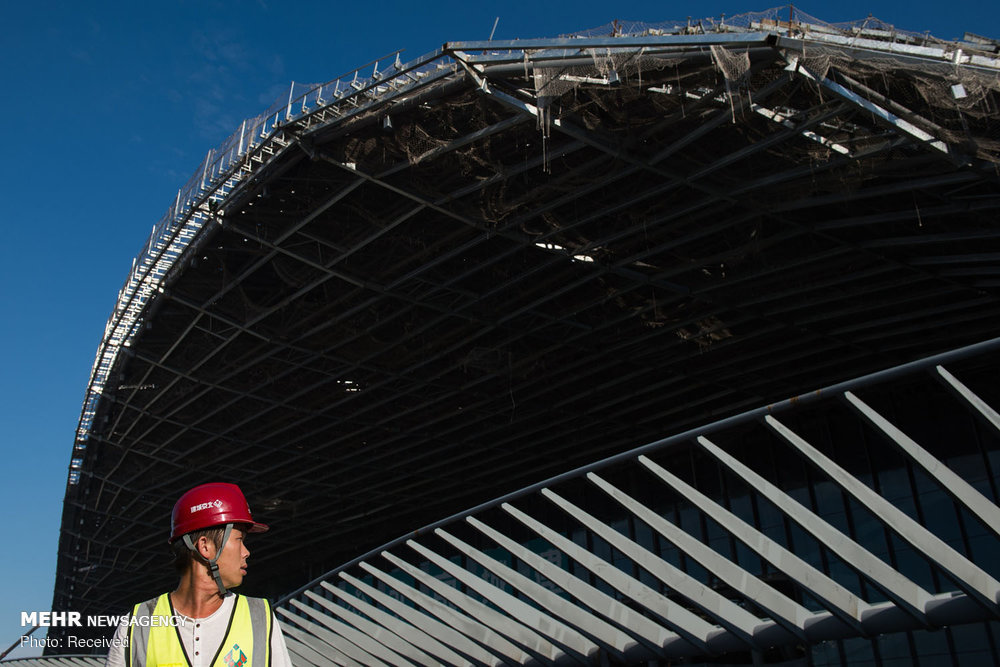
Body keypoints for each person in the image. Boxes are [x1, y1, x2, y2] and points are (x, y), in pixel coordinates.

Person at [105, 482, 292, 667]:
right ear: (205, 546)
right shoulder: (136, 624)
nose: (246, 552)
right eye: (239, 540)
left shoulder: (260, 617)